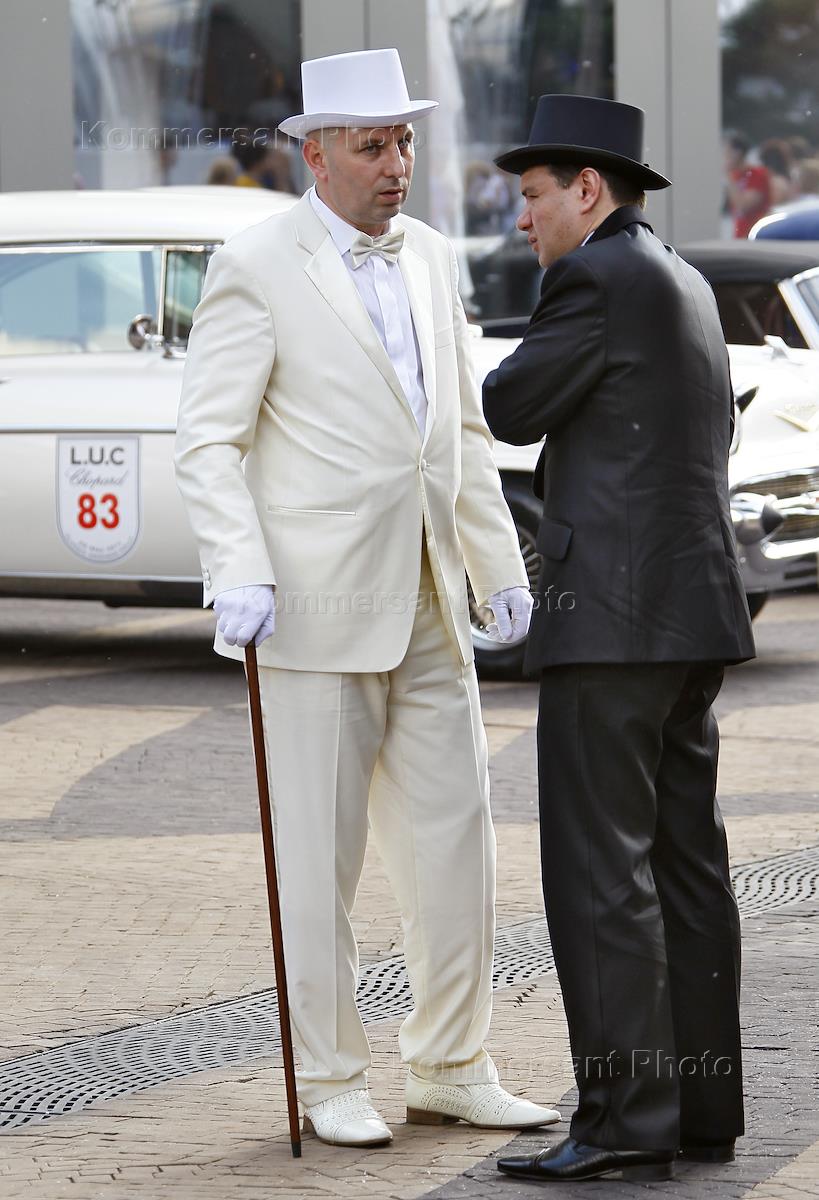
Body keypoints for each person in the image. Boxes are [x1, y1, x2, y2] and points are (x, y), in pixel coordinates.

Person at [175, 48, 558, 1150]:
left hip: (431, 601)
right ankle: (329, 1075)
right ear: (316, 155)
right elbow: (208, 440)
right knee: (317, 866)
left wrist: (499, 569)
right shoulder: (255, 262)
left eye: (404, 142)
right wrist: (238, 567)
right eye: (372, 145)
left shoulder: (430, 254)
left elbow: (460, 433)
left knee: (457, 854)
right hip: (311, 612)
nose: (397, 164)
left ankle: (451, 1065)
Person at [482, 94, 755, 1183]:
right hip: (691, 620)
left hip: (611, 625)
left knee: (603, 875)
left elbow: (510, 406)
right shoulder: (682, 279)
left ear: (587, 190)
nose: (523, 220)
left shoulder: (594, 277)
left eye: (532, 197)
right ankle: (698, 1110)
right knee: (685, 864)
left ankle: (622, 1121)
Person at [724, 130, 771, 238]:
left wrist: (729, 176)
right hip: (741, 236)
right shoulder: (736, 176)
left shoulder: (757, 174)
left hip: (755, 237)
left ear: (737, 153)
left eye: (727, 152)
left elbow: (743, 206)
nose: (725, 157)